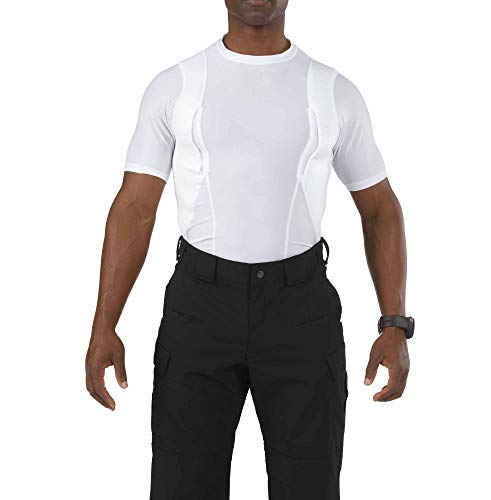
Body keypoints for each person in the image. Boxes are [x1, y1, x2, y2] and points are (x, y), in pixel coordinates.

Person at [85, 1, 412, 498]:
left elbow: (380, 206)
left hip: (300, 312)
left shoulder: (332, 91)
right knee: (182, 485)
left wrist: (395, 323)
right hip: (200, 308)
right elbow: (134, 207)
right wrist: (103, 324)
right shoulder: (176, 86)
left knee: (309, 485)